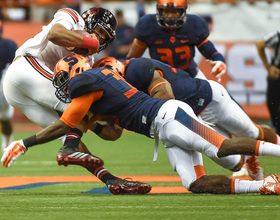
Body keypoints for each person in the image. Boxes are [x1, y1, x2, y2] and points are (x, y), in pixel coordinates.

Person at [2, 54, 280, 195]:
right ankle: (264, 186)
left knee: (224, 147)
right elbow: (113, 134)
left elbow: (65, 124)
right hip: (162, 128)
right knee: (194, 183)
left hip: (169, 115)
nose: (64, 87)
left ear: (77, 74)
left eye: (65, 80)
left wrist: (25, 143)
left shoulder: (87, 82)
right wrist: (92, 126)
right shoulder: (96, 87)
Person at [2, 7, 150, 195]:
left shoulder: (88, 57)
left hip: (17, 95)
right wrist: (90, 41)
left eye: (105, 37)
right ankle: (70, 148)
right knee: (78, 109)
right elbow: (55, 34)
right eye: (99, 32)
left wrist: (96, 125)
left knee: (67, 131)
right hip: (25, 68)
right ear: (89, 22)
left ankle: (110, 180)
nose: (100, 39)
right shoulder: (72, 17)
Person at [94, 57, 280, 181]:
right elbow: (114, 133)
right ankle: (248, 159)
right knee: (231, 161)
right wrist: (92, 124)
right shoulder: (114, 94)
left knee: (251, 132)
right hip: (190, 115)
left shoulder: (136, 69)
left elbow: (166, 97)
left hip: (208, 98)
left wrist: (153, 117)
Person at [127, 0, 226, 80]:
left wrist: (219, 61)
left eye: (174, 12)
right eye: (166, 12)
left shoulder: (194, 24)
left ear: (183, 12)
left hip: (191, 76)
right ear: (159, 11)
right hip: (161, 79)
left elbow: (211, 52)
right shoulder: (148, 25)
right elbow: (132, 59)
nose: (170, 16)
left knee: (216, 96)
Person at [256, 30, 280, 136]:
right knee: (272, 103)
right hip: (277, 72)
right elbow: (260, 44)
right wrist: (268, 66)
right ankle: (278, 130)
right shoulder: (278, 34)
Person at [0, 14, 17, 151]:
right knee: (5, 118)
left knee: (5, 117)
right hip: (3, 86)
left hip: (2, 84)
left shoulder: (8, 45)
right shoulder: (9, 44)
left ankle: (7, 142)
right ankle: (7, 143)